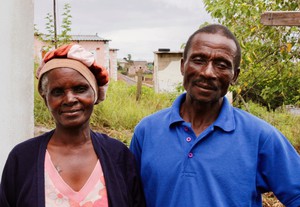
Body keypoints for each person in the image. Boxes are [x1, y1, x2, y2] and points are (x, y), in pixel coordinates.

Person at [130, 24, 300, 207]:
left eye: (221, 65)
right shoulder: (147, 131)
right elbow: (129, 197)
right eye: (198, 60)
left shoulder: (260, 137)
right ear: (182, 66)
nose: (207, 72)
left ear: (234, 76)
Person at [0, 43, 146, 207]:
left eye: (80, 88)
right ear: (45, 98)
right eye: (57, 92)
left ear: (95, 93)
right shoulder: (22, 158)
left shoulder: (118, 155)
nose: (69, 99)